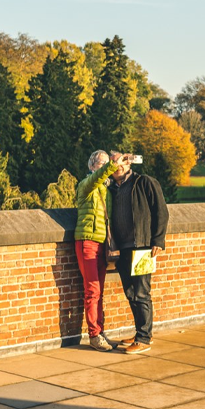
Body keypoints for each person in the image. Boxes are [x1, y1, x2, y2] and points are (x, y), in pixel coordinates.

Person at [106, 152, 168, 354]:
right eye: (115, 162)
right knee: (131, 293)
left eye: (123, 161)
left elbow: (161, 211)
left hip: (142, 245)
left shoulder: (145, 182)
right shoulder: (112, 189)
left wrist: (158, 240)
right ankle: (139, 331)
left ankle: (144, 338)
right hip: (123, 248)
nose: (120, 165)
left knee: (142, 292)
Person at [74, 150, 119, 351]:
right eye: (101, 164)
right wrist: (112, 165)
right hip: (88, 242)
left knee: (99, 291)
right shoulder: (86, 186)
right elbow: (95, 180)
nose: (104, 167)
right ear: (92, 166)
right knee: (92, 290)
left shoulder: (107, 190)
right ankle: (94, 335)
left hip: (102, 244)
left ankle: (100, 331)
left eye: (106, 164)